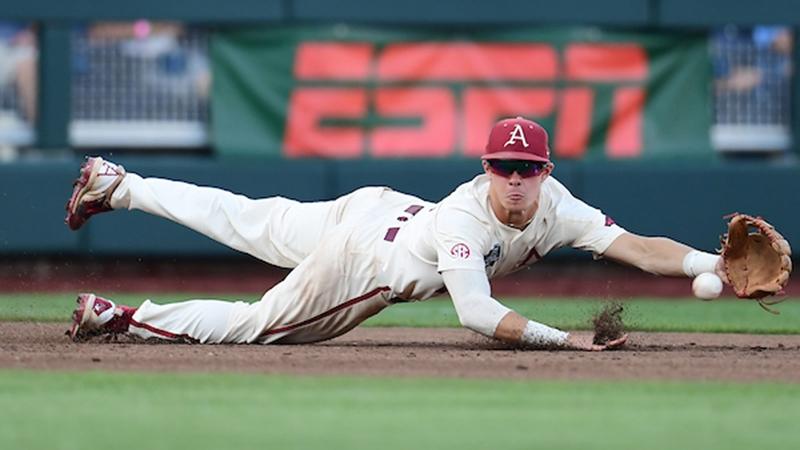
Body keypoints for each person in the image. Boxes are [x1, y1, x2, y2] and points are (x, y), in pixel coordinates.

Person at [65, 117, 726, 351]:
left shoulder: (560, 206)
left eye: (527, 168)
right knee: (257, 328)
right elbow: (474, 311)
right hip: (366, 260)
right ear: (486, 168)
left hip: (378, 208)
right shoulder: (470, 216)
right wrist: (567, 340)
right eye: (504, 166)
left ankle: (118, 185)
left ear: (546, 170)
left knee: (245, 216)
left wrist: (715, 264)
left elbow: (639, 247)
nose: (516, 179)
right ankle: (119, 317)